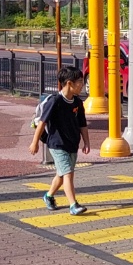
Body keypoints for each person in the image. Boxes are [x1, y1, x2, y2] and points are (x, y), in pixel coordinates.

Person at [29, 65, 92, 216]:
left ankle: (48, 196)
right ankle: (73, 205)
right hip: (57, 144)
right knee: (68, 173)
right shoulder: (55, 101)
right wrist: (35, 142)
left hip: (72, 143)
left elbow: (82, 124)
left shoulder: (77, 102)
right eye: (80, 82)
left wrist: (86, 142)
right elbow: (42, 122)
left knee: (62, 174)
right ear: (69, 83)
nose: (82, 85)